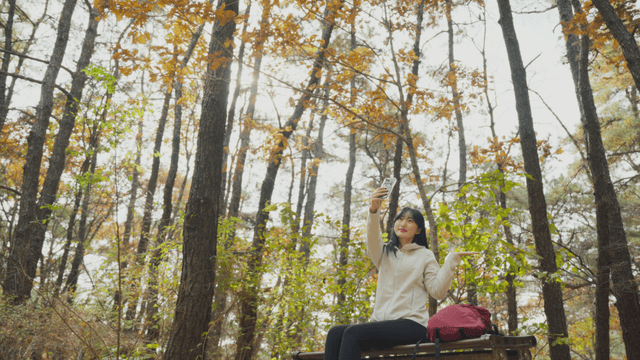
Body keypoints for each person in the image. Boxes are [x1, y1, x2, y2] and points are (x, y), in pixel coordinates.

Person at [324, 187, 477, 360]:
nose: (403, 224)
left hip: (412, 324)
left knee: (353, 333)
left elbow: (437, 291)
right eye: (400, 219)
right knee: (335, 333)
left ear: (418, 230)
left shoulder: (424, 255)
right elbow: (372, 239)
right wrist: (373, 210)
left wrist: (451, 260)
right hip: (382, 324)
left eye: (410, 221)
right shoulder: (385, 253)